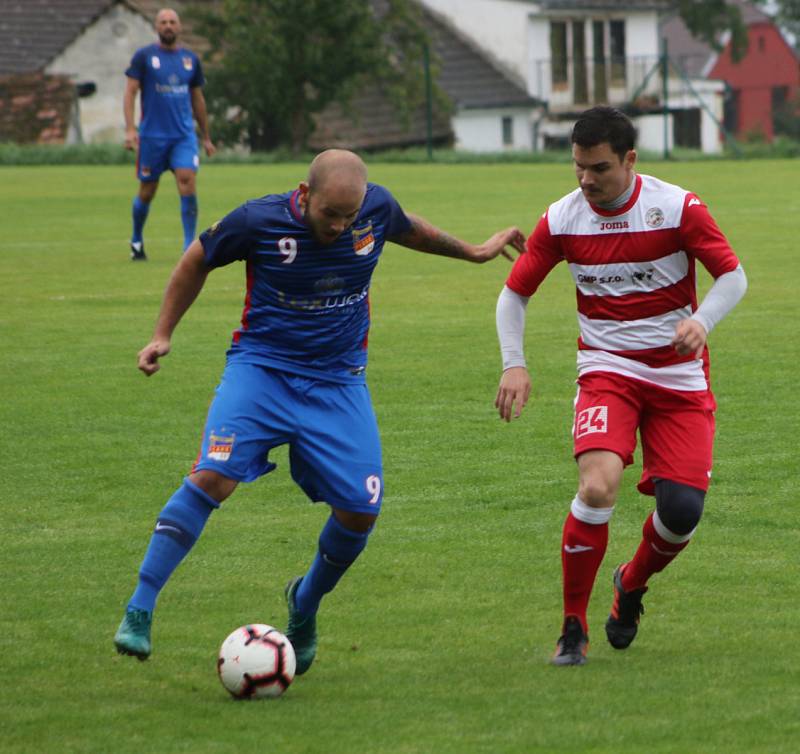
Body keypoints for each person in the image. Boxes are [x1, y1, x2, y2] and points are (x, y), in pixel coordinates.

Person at [114, 149, 525, 672]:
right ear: (305, 195)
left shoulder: (374, 211)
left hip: (338, 380)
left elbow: (411, 230)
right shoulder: (257, 221)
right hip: (262, 371)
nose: (338, 226)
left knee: (361, 509)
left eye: (348, 217)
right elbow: (197, 258)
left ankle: (303, 605)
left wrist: (475, 251)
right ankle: (140, 607)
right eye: (329, 214)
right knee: (214, 476)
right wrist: (161, 335)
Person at [494, 106, 747, 666]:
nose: (586, 180)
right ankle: (572, 626)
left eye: (600, 168)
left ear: (630, 160)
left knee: (681, 512)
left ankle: (630, 584)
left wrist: (700, 322)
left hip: (679, 377)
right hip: (608, 370)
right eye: (578, 167)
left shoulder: (676, 206)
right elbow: (514, 293)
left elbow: (733, 274)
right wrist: (515, 362)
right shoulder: (562, 218)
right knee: (597, 487)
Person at [123, 7, 216, 261]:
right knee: (147, 190)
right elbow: (130, 92)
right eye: (163, 22)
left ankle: (189, 246)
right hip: (152, 137)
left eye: (172, 22)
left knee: (187, 180)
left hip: (183, 137)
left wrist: (205, 136)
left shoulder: (190, 59)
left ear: (180, 27)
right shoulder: (144, 57)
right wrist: (131, 129)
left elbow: (198, 98)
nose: (168, 26)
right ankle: (136, 240)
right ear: (156, 27)